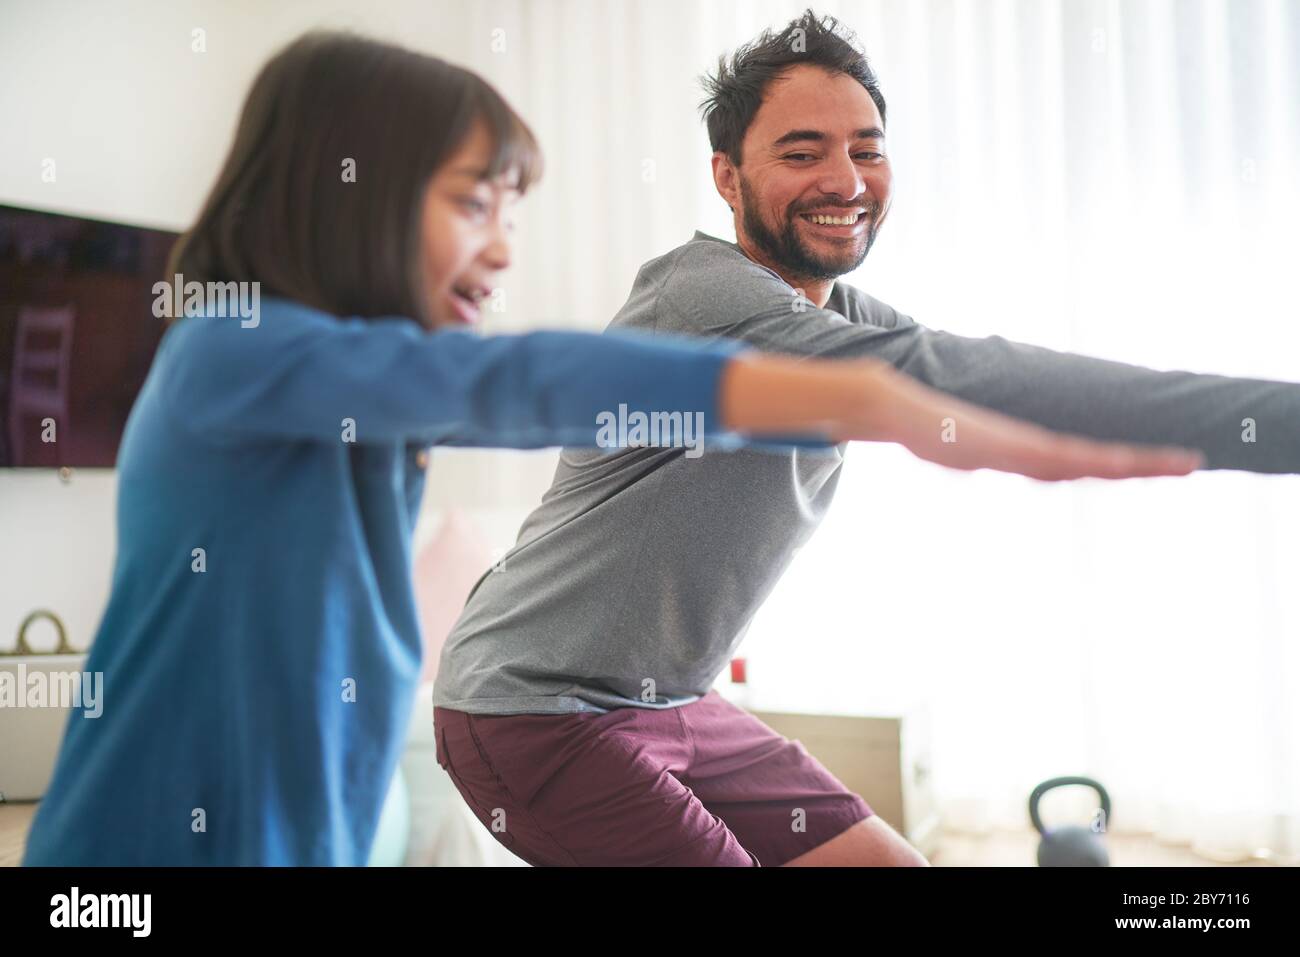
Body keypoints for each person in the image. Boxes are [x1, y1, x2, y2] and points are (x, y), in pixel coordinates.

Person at [23, 31, 1181, 868]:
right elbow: (528, 382)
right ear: (357, 195)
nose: (505, 249)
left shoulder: (353, 414)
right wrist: (861, 401)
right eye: (478, 203)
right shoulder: (238, 349)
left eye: (514, 213)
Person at [430, 10, 1300, 867]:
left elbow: (969, 374)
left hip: (668, 700)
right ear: (727, 178)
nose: (844, 181)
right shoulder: (706, 298)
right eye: (802, 152)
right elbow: (946, 376)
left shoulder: (827, 308)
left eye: (867, 150)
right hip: (533, 708)